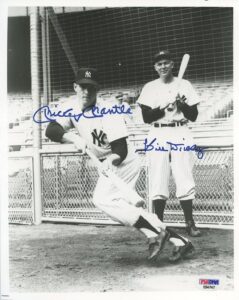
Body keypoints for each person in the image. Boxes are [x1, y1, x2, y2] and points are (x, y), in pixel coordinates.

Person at [45, 67, 194, 262]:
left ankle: (154, 234)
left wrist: (109, 161)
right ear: (75, 87)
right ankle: (180, 241)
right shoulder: (70, 106)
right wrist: (70, 137)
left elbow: (121, 149)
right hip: (107, 163)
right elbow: (51, 129)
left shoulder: (108, 111)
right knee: (121, 207)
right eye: (82, 87)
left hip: (123, 161)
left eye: (91, 88)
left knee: (102, 199)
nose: (86, 92)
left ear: (97, 89)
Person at [137, 50, 201, 237]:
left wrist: (181, 104)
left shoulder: (185, 85)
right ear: (155, 67)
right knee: (158, 176)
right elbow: (146, 118)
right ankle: (158, 224)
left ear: (173, 64)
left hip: (181, 130)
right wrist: (163, 105)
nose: (163, 66)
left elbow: (194, 116)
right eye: (159, 64)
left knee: (184, 175)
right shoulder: (150, 87)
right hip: (158, 131)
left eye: (166, 62)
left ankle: (189, 222)